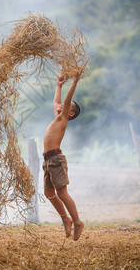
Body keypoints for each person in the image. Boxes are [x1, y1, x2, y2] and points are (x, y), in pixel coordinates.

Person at [42, 72, 84, 241]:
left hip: (56, 159)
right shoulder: (58, 118)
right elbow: (57, 102)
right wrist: (58, 85)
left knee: (62, 193)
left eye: (65, 106)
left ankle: (77, 221)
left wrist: (75, 82)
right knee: (48, 193)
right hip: (48, 160)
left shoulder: (63, 119)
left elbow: (65, 102)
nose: (60, 106)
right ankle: (65, 218)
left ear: (70, 113)